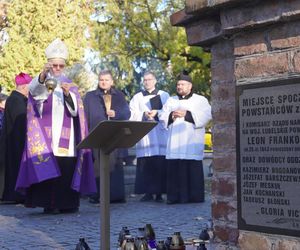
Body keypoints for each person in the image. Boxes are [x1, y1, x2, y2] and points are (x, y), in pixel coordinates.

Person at [16, 38, 96, 214]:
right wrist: (43, 76)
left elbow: (76, 112)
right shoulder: (43, 82)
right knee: (47, 166)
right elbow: (35, 93)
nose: (57, 68)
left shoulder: (70, 85)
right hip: (46, 136)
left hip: (67, 139)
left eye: (61, 65)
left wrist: (68, 95)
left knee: (66, 169)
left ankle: (67, 204)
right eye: (54, 65)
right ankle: (49, 204)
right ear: (49, 65)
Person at [159, 71, 212, 204]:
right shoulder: (171, 100)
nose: (179, 86)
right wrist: (171, 115)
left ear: (190, 86)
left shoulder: (201, 100)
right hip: (174, 143)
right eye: (178, 84)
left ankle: (194, 197)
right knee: (175, 170)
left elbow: (207, 115)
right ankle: (174, 197)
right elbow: (162, 117)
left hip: (191, 142)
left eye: (182, 84)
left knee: (192, 169)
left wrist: (187, 114)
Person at [84, 69, 131, 203]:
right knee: (97, 167)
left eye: (106, 80)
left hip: (114, 136)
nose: (104, 82)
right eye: (101, 80)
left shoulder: (119, 96)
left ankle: (115, 196)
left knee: (114, 167)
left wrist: (116, 114)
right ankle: (97, 196)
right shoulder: (90, 96)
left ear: (112, 81)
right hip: (96, 135)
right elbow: (85, 117)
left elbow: (127, 114)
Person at [129, 71, 169, 202]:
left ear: (155, 80)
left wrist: (157, 113)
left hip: (159, 134)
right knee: (146, 165)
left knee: (159, 164)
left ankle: (159, 193)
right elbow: (131, 113)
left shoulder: (164, 95)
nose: (147, 82)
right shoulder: (137, 97)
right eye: (145, 80)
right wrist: (143, 115)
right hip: (145, 136)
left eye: (150, 79)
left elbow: (168, 111)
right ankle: (147, 192)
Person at [0, 73, 30, 203]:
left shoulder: (15, 99)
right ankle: (16, 195)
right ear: (24, 87)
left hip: (14, 141)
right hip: (16, 142)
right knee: (15, 168)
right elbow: (21, 124)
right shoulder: (17, 100)